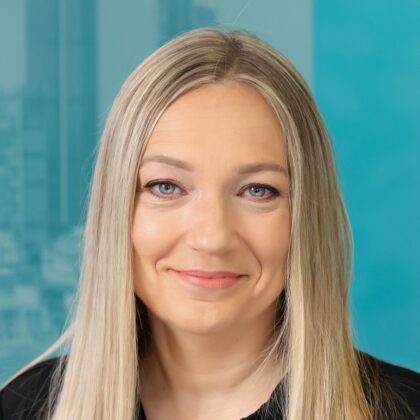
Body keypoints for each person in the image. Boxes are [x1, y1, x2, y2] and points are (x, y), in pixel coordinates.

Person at [1, 27, 419, 420]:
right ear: (117, 210)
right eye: (166, 187)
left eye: (257, 190)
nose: (212, 237)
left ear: (308, 217)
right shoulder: (22, 408)